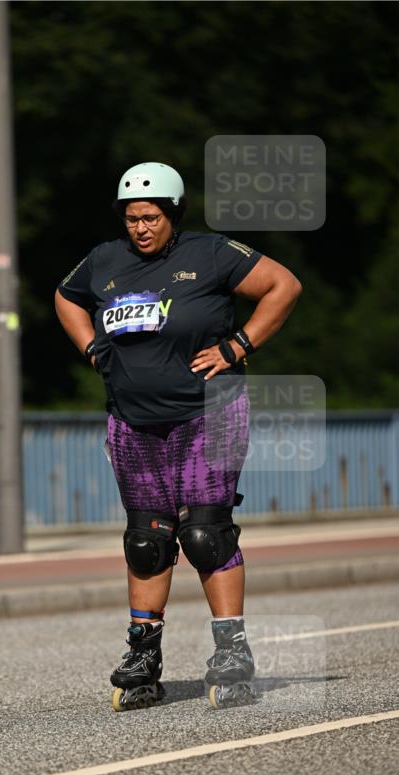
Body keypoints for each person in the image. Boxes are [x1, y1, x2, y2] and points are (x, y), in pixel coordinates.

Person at [54, 162, 302, 711]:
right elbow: (66, 297)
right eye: (132, 218)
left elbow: (284, 285)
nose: (140, 227)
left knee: (205, 535)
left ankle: (231, 650)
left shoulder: (210, 254)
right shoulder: (104, 261)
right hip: (133, 420)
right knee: (147, 541)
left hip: (208, 415)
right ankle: (144, 655)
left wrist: (238, 346)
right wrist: (91, 347)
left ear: (174, 214)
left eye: (151, 217)